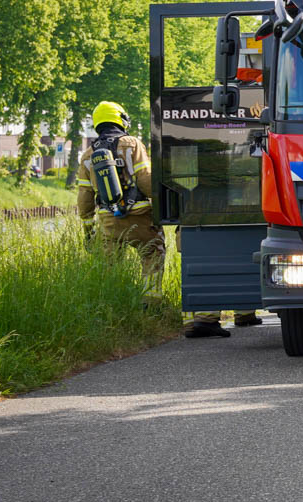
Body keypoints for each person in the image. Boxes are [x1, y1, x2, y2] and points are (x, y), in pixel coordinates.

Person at [75, 101, 257, 337]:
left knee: (109, 266)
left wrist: (88, 230)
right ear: (121, 119)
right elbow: (145, 179)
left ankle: (112, 311)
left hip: (108, 220)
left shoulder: (88, 155)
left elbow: (84, 197)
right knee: (152, 255)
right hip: (139, 217)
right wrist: (167, 204)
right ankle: (150, 306)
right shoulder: (131, 144)